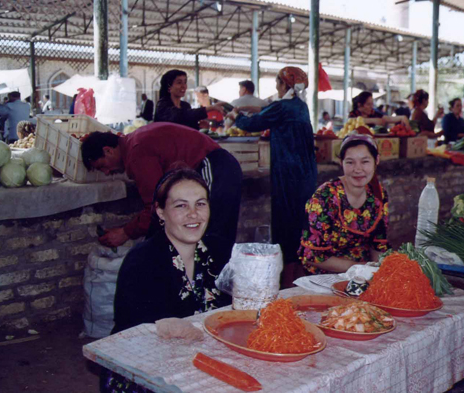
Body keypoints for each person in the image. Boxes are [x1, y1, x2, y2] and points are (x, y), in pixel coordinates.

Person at [100, 168, 229, 393]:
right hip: (145, 370)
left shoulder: (218, 251)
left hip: (203, 359)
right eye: (181, 205)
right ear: (160, 212)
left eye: (200, 204)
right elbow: (136, 334)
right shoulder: (142, 261)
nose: (193, 214)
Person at [80, 122, 242, 271]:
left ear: (108, 150)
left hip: (215, 167)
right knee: (211, 241)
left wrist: (125, 232)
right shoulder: (135, 142)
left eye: (103, 166)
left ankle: (215, 295)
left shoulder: (136, 153)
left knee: (213, 238)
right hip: (219, 167)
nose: (107, 172)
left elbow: (155, 207)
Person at [226, 66, 317, 287]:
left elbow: (252, 124)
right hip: (306, 175)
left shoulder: (282, 107)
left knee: (284, 222)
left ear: (285, 85)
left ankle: (286, 279)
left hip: (287, 174)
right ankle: (298, 273)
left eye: (278, 82)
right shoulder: (300, 107)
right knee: (300, 223)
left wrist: (235, 115)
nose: (276, 86)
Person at [299, 134, 389, 274]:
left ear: (376, 160)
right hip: (325, 277)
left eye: (365, 162)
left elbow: (378, 245)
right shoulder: (325, 197)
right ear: (341, 162)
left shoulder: (378, 195)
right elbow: (312, 256)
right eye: (350, 162)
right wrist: (361, 268)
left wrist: (377, 273)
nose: (357, 169)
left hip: (363, 275)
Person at [153, 69, 224, 130]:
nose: (184, 86)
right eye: (179, 82)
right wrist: (210, 108)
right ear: (169, 88)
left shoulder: (185, 105)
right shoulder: (162, 105)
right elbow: (180, 115)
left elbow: (187, 128)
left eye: (185, 82)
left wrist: (199, 126)